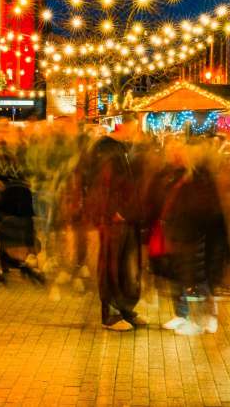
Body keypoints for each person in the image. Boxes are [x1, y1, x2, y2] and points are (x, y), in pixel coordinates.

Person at [90, 113, 146, 331]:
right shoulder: (106, 149)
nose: (137, 131)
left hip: (126, 216)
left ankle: (124, 308)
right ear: (123, 125)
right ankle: (111, 313)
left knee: (125, 266)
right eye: (134, 126)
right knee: (112, 265)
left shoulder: (123, 149)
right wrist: (112, 210)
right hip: (114, 219)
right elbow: (102, 183)